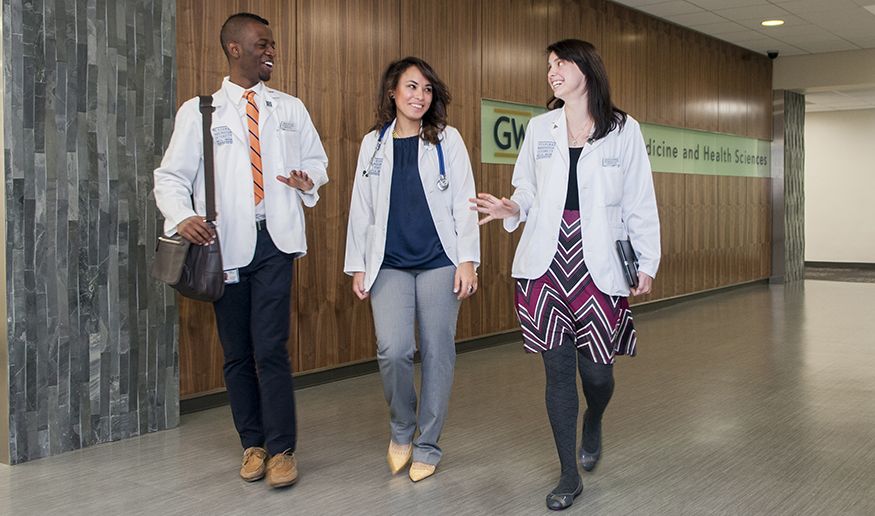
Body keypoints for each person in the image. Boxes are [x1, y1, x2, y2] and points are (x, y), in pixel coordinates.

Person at [470, 39, 660, 510]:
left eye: (561, 63)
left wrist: (648, 262)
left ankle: (594, 418)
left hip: (599, 261)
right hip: (547, 261)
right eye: (549, 65)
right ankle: (567, 474)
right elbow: (527, 190)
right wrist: (512, 206)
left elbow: (640, 200)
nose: (552, 72)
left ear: (587, 69)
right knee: (557, 374)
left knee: (597, 374)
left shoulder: (623, 129)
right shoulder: (540, 129)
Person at [153, 12, 328, 488]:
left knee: (270, 346)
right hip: (223, 244)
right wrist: (180, 216)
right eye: (262, 44)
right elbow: (170, 176)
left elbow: (318, 161)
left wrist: (308, 178)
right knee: (236, 351)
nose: (271, 52)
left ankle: (282, 449)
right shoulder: (200, 112)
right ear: (235, 48)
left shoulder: (289, 108)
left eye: (272, 45)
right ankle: (251, 444)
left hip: (276, 240)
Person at [344, 57, 480, 482]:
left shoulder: (448, 140)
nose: (420, 96)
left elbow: (464, 200)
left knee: (438, 352)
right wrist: (357, 266)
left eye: (426, 89)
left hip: (440, 260)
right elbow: (360, 208)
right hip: (389, 263)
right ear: (393, 92)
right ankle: (402, 428)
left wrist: (468, 260)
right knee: (393, 349)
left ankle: (428, 442)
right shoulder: (374, 144)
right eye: (411, 87)